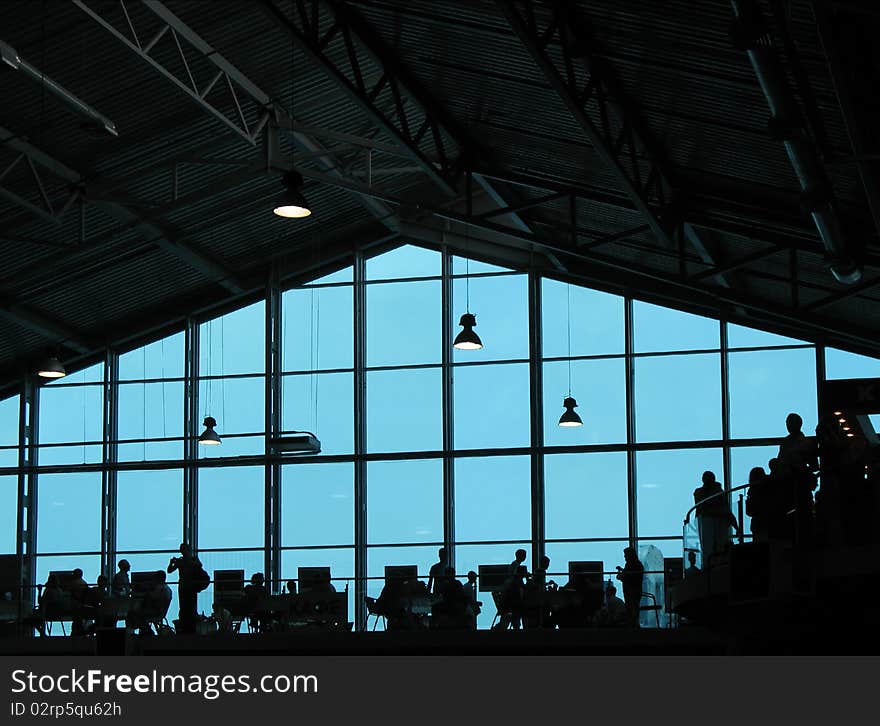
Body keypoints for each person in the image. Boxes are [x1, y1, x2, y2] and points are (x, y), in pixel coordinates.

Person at [777, 413, 818, 545]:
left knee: (800, 513)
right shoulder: (795, 443)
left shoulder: (803, 443)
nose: (788, 426)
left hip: (797, 483)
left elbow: (813, 465)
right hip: (790, 484)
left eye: (790, 423)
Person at [693, 471, 739, 562]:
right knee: (718, 548)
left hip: (711, 523)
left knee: (711, 549)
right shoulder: (718, 493)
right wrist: (735, 525)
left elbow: (701, 507)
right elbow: (727, 510)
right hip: (716, 523)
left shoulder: (701, 493)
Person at [167, 542, 203, 634]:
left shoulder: (180, 561)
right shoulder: (192, 560)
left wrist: (171, 563)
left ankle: (185, 625)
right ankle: (191, 625)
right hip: (191, 585)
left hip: (183, 585)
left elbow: (169, 570)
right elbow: (199, 566)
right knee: (190, 605)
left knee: (183, 606)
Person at [495, 549, 528, 630]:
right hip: (513, 596)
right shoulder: (516, 566)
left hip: (511, 595)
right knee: (516, 613)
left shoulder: (514, 565)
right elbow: (516, 579)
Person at [616, 547, 644, 628]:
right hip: (633, 591)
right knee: (633, 609)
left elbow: (629, 576)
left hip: (631, 591)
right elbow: (629, 574)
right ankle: (634, 626)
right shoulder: (637, 564)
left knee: (631, 609)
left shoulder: (631, 565)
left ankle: (633, 626)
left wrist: (621, 576)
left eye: (625, 555)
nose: (625, 557)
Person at [745, 466, 770, 541]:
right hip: (767, 522)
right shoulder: (769, 488)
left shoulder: (752, 491)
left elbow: (749, 511)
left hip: (758, 523)